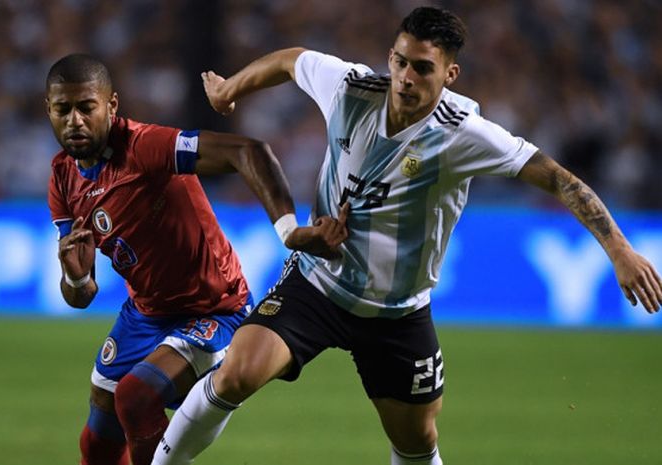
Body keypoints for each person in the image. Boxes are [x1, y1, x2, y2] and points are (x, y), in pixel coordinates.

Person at [151, 7, 662, 465]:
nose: (405, 77)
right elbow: (292, 59)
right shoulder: (351, 89)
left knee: (416, 441)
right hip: (319, 286)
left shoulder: (466, 134)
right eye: (399, 61)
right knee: (238, 370)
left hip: (396, 312)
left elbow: (558, 178)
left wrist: (619, 249)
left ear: (449, 74)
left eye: (422, 67)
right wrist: (230, 88)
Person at [45, 53, 346, 465]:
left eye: (86, 107)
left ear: (111, 106)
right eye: (63, 109)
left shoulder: (145, 147)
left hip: (214, 309)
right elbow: (80, 296)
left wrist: (289, 231)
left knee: (136, 397)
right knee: (97, 439)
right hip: (146, 313)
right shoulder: (63, 177)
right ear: (49, 110)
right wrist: (77, 281)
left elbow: (248, 152)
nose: (75, 120)